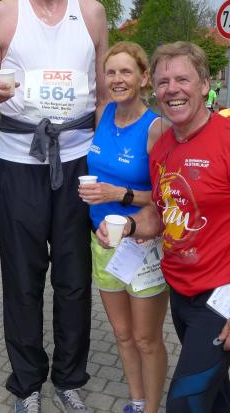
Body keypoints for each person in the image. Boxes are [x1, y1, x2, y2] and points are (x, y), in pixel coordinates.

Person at [97, 42, 230, 412]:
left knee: (184, 402)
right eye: (164, 81)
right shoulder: (164, 146)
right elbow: (161, 213)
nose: (173, 89)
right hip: (182, 292)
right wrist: (130, 225)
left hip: (224, 296)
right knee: (216, 397)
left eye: (183, 79)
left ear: (204, 85)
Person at [0, 0, 108, 413]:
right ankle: (27, 382)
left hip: (77, 159)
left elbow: (106, 91)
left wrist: (109, 158)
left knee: (74, 277)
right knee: (22, 277)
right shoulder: (4, 13)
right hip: (19, 160)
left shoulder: (90, 12)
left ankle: (69, 378)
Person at [78, 41, 167, 413]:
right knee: (122, 333)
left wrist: (120, 194)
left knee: (146, 338)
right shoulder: (103, 113)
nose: (117, 79)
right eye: (111, 72)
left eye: (126, 71)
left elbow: (167, 197)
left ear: (143, 77)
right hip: (103, 241)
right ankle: (136, 401)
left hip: (142, 244)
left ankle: (151, 409)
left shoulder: (155, 127)